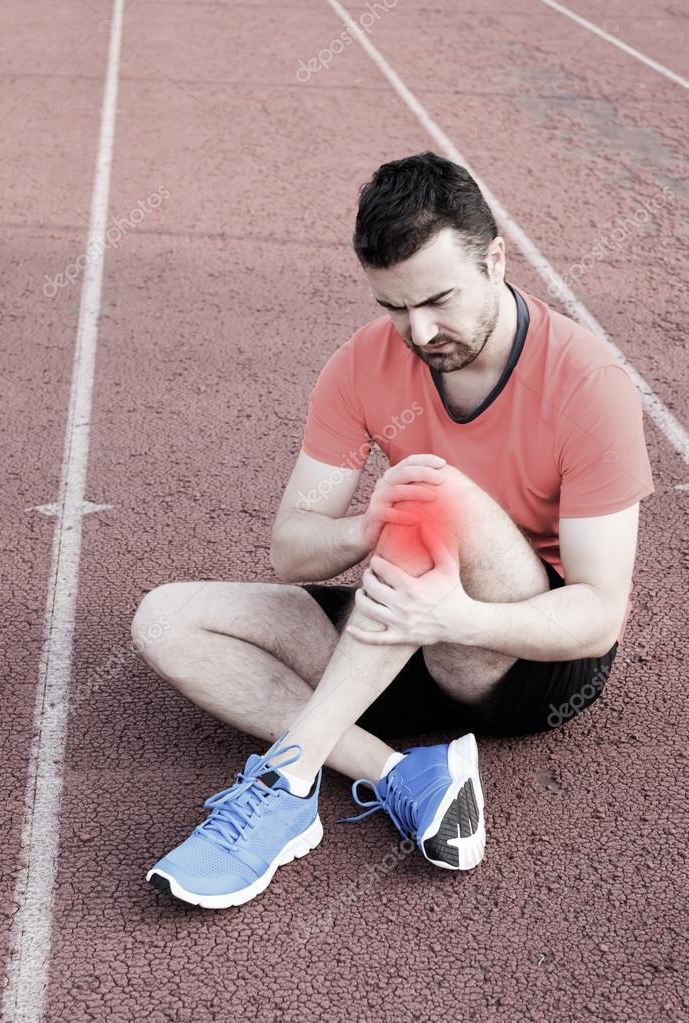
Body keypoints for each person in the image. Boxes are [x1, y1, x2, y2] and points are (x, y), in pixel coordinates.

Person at [132, 151, 655, 909]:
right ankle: (401, 773)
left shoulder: (587, 383)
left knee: (426, 491)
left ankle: (288, 779)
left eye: (437, 299)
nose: (418, 329)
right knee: (167, 617)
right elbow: (292, 550)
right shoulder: (362, 365)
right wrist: (362, 530)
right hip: (403, 630)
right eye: (392, 306)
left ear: (495, 258)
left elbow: (598, 617)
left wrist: (457, 617)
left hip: (523, 659)